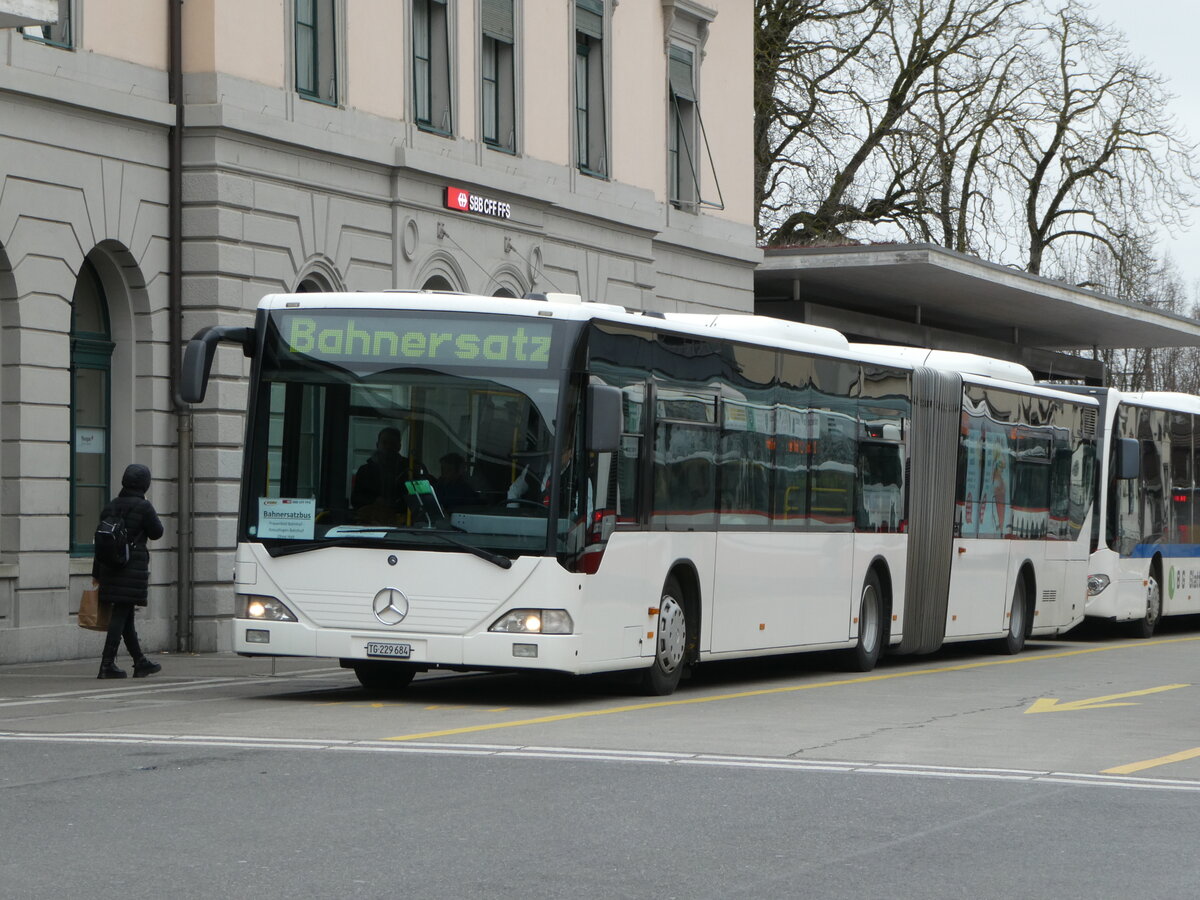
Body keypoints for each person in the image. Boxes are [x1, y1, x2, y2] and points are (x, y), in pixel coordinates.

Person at [94, 463, 165, 679]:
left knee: (125, 616)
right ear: (144, 484)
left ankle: (139, 661)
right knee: (121, 614)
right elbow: (157, 533)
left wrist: (96, 573)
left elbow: (100, 541)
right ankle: (106, 664)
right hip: (130, 569)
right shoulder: (144, 507)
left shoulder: (111, 506)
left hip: (109, 568)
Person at [351, 426, 424, 522]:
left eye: (392, 443)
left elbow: (420, 499)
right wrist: (375, 500)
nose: (388, 446)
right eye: (384, 442)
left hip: (403, 523)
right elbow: (355, 499)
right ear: (377, 445)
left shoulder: (411, 469)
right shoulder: (365, 470)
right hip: (371, 521)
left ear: (399, 446)